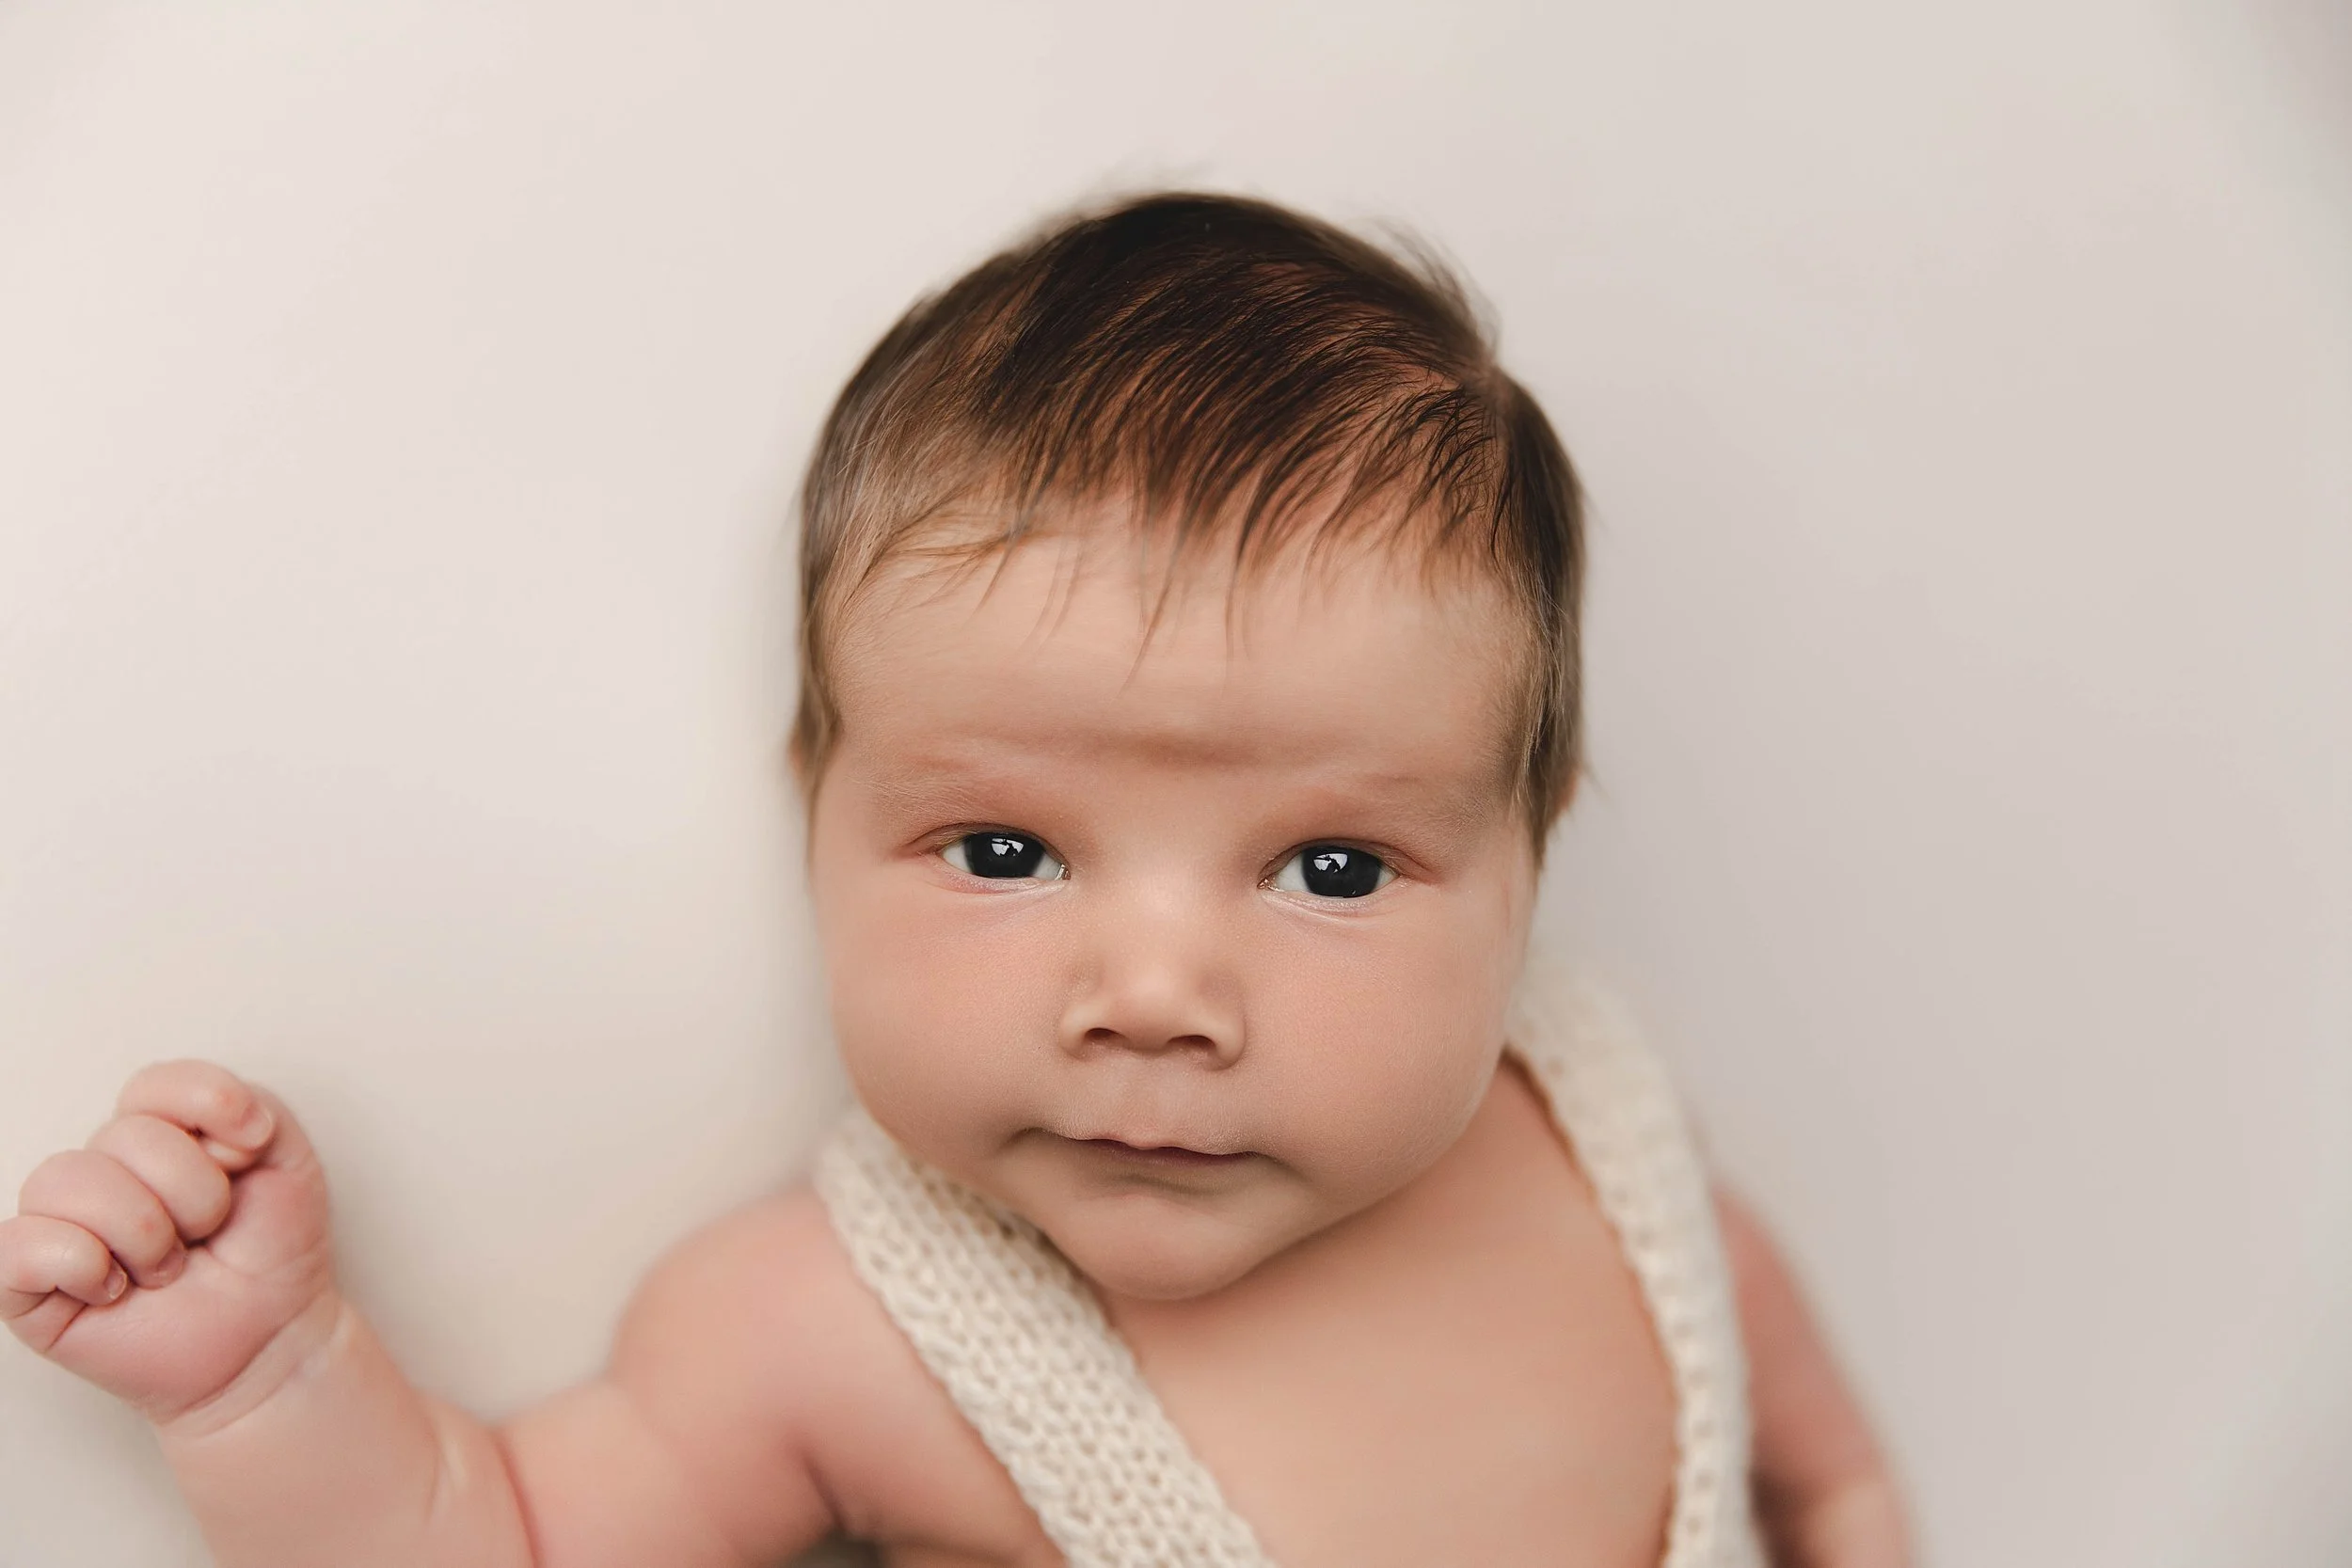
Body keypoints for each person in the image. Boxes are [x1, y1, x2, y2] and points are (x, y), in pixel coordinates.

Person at [0, 192, 1908, 1568]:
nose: (1153, 992)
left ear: (1527, 854)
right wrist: (267, 1379)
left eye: (1330, 864)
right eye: (1001, 849)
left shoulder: (1603, 1146)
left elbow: (1823, 1483)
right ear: (816, 819)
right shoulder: (827, 1327)